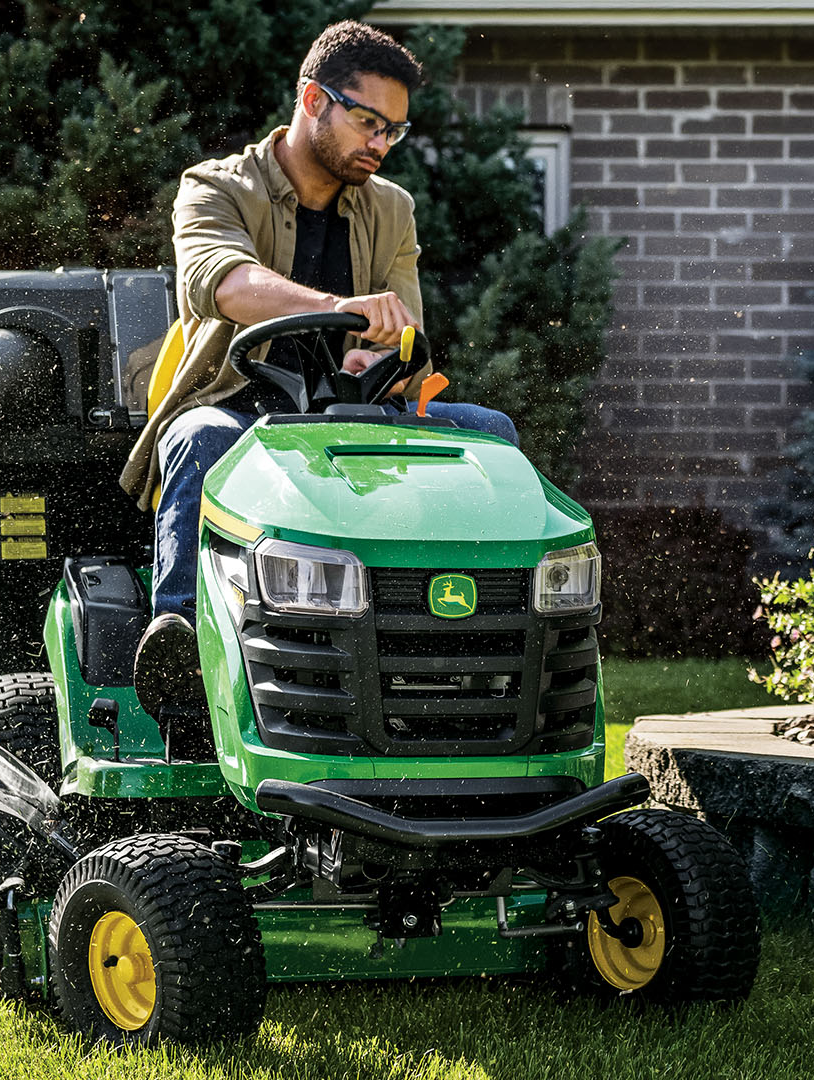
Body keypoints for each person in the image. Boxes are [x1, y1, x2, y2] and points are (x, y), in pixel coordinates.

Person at [118, 20, 517, 713]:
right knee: (198, 437)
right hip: (242, 407)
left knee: (489, 434)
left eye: (395, 130)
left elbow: (407, 331)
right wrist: (341, 306)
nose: (380, 145)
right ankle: (181, 641)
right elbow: (221, 282)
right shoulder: (216, 187)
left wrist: (380, 352)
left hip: (356, 411)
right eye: (368, 122)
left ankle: (479, 638)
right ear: (313, 101)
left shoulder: (392, 210)